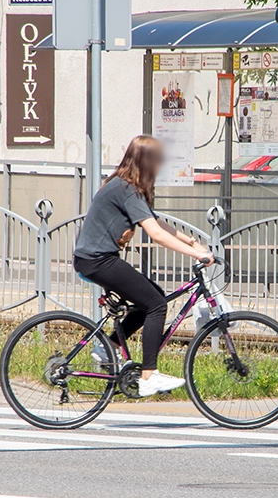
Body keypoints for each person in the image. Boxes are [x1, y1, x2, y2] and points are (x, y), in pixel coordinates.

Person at [73, 136, 213, 398]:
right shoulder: (128, 188)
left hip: (94, 259)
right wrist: (195, 255)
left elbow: (156, 223)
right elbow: (156, 235)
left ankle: (109, 346)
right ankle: (149, 376)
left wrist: (193, 243)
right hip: (98, 261)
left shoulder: (125, 185)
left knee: (152, 298)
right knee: (156, 305)